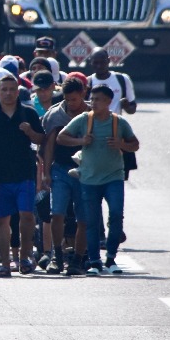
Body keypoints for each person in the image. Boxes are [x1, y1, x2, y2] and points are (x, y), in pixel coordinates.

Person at [57, 85, 139, 275]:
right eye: (92, 99)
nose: (94, 103)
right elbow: (61, 138)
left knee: (117, 214)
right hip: (89, 179)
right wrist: (81, 141)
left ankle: (111, 259)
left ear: (109, 101)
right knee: (91, 221)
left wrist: (122, 144)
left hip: (114, 177)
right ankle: (94, 262)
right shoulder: (84, 120)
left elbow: (135, 144)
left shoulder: (119, 122)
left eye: (98, 99)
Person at [0, 75, 45, 277]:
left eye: (12, 89)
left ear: (18, 90)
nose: (8, 93)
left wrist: (30, 132)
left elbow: (41, 139)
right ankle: (5, 264)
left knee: (27, 216)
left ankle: (24, 257)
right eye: (4, 89)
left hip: (25, 174)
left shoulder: (29, 114)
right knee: (1, 220)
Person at [41, 78, 90, 275]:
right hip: (60, 169)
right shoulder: (56, 114)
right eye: (68, 100)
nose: (71, 103)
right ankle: (57, 256)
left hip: (86, 172)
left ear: (83, 94)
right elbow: (50, 144)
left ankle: (78, 259)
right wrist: (46, 172)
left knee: (83, 218)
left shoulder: (92, 115)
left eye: (75, 99)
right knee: (57, 213)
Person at [87, 47, 137, 115]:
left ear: (108, 60)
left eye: (102, 62)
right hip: (94, 124)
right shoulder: (87, 82)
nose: (99, 66)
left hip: (115, 124)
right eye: (95, 63)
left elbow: (132, 109)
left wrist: (127, 106)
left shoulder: (122, 79)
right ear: (90, 62)